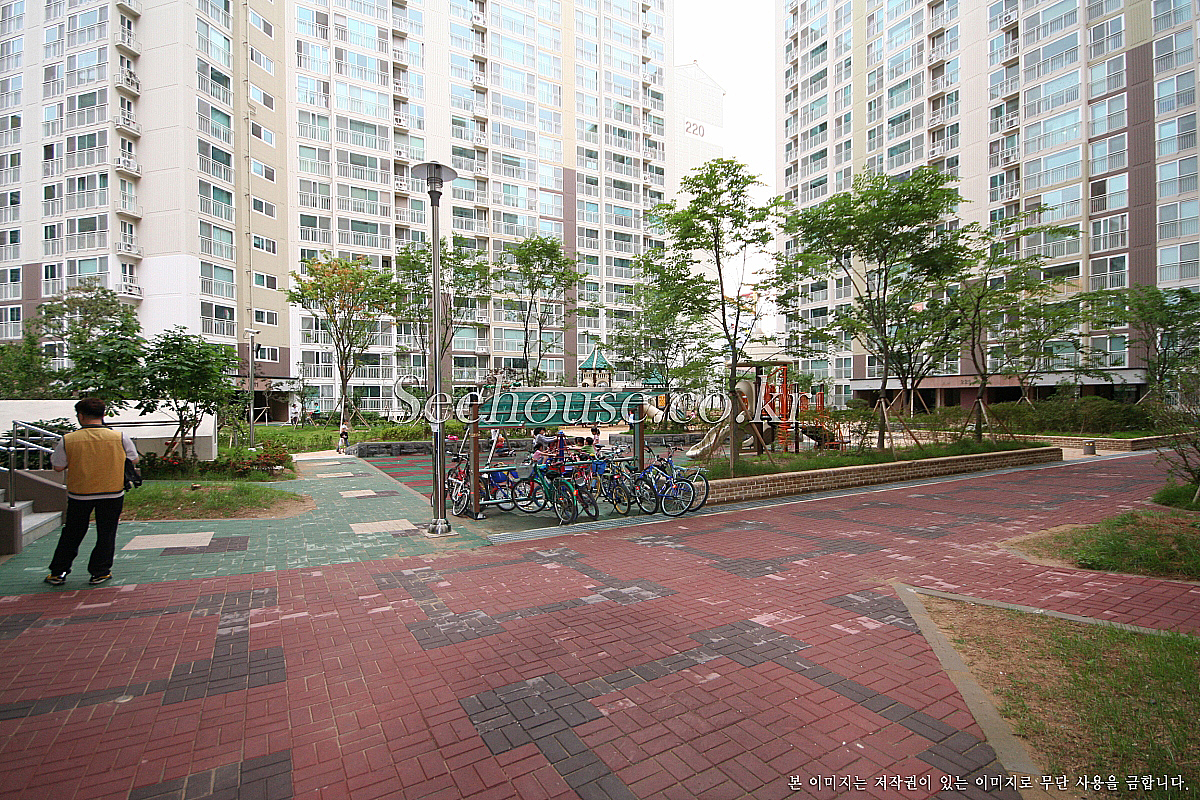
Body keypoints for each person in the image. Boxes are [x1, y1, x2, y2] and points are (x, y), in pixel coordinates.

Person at [45, 398, 140, 587]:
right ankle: (100, 572)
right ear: (104, 415)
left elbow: (58, 466)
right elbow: (134, 459)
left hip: (80, 494)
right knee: (106, 533)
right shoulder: (119, 437)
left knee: (72, 532)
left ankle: (58, 572)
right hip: (112, 492)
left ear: (80, 416)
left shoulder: (69, 439)